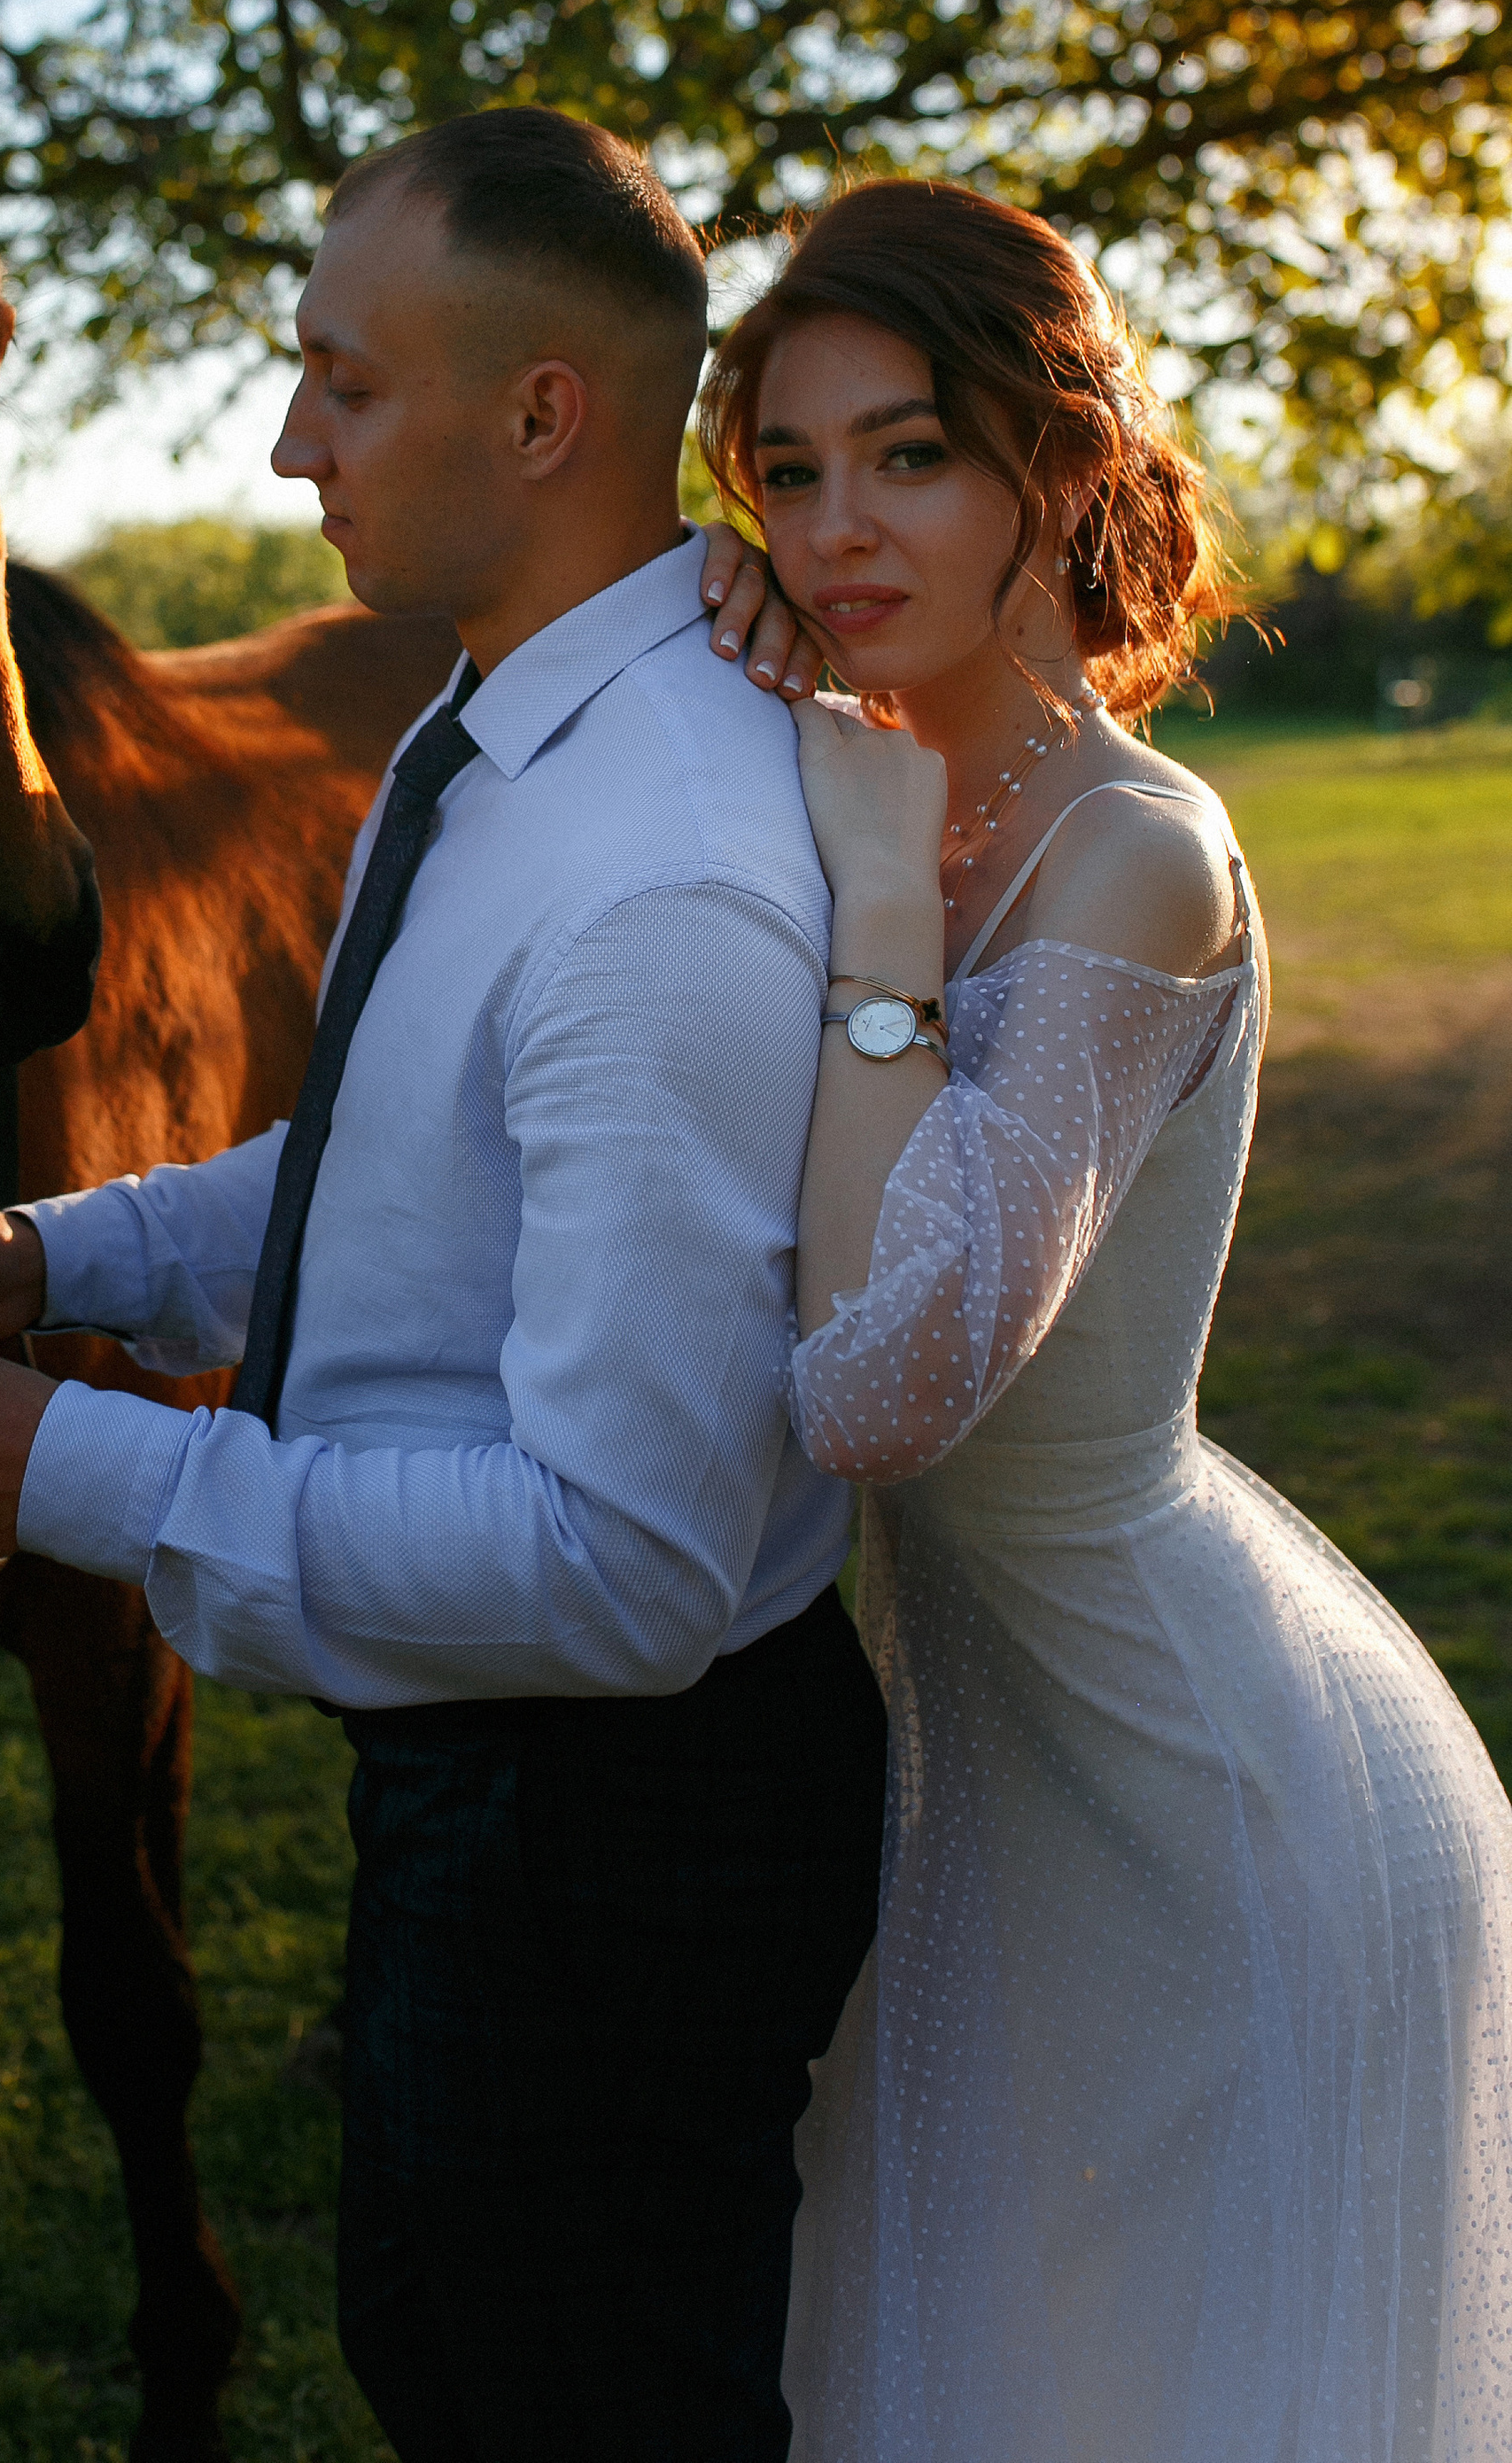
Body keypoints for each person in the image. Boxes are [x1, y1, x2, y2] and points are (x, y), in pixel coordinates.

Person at [0, 106, 887, 2462]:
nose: (288, 443)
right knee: (443, 2355)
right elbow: (385, 1166)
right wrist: (44, 1262)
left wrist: (53, 1467)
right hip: (492, 1777)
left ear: (544, 415)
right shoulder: (483, 743)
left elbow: (628, 1568)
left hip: (614, 1821)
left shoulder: (664, 872)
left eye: (344, 383)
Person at [696, 174, 1512, 2462]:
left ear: (1056, 465)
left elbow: (883, 1385)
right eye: (788, 471)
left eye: (910, 453)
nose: (837, 528)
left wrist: (879, 915)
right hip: (976, 1781)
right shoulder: (848, 777)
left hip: (1207, 1807)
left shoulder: (1134, 856)